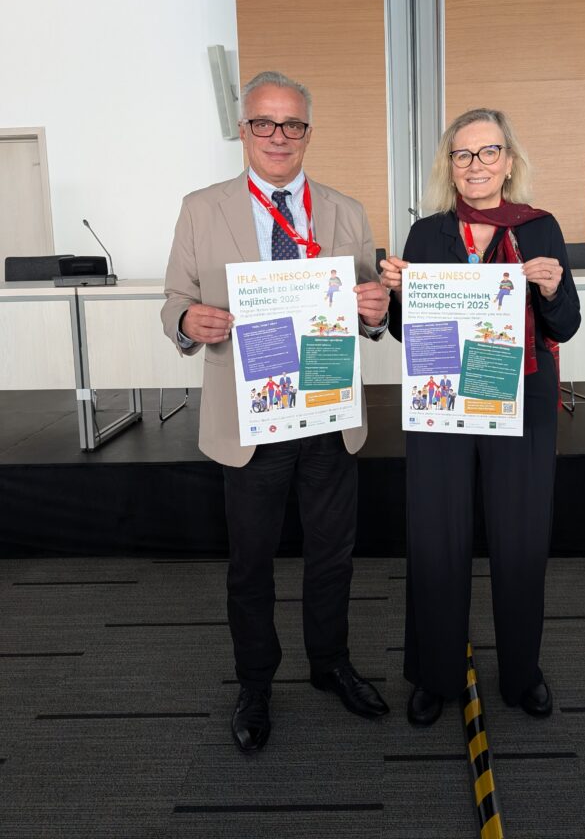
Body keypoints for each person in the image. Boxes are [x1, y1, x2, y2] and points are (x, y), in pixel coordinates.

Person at [162, 70, 390, 754]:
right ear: (243, 130)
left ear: (308, 133)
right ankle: (255, 682)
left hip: (325, 412)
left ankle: (330, 664)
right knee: (250, 562)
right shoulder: (203, 208)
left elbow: (368, 305)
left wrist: (375, 313)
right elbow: (173, 297)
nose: (278, 136)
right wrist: (187, 320)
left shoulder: (346, 211)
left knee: (332, 557)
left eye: (292, 124)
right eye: (264, 122)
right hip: (248, 418)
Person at [380, 107, 580, 727]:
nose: (475, 165)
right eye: (463, 155)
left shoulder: (541, 228)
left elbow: (566, 326)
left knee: (520, 538)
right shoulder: (425, 235)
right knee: (436, 535)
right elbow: (404, 334)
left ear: (509, 161)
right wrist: (395, 296)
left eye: (488, 152)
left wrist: (550, 290)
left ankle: (523, 672)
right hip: (443, 403)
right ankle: (435, 675)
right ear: (449, 165)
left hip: (520, 402)